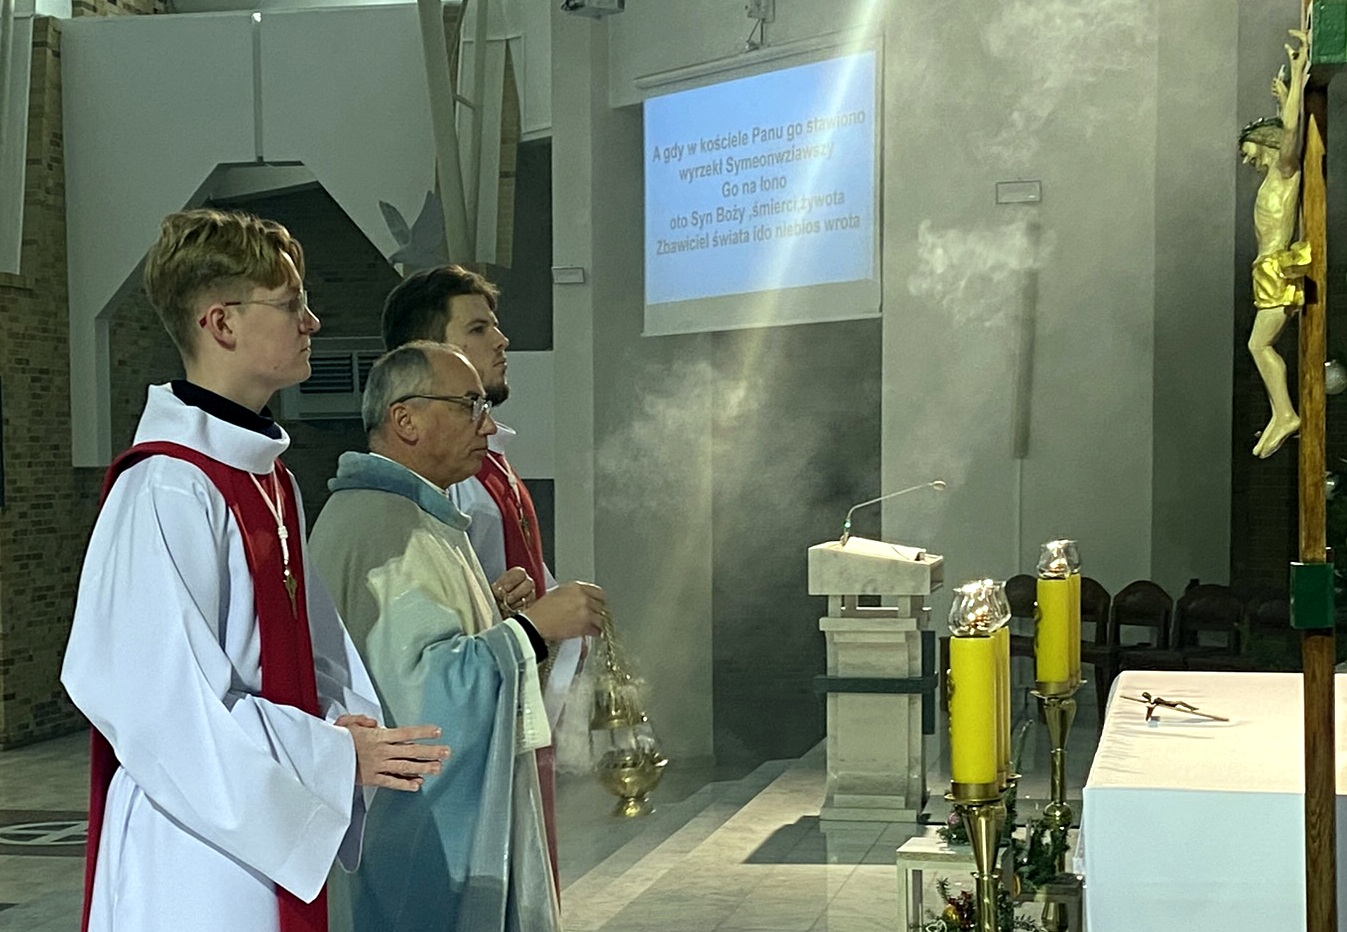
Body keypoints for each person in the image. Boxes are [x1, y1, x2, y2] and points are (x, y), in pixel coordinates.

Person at [60, 208, 450, 932]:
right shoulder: (167, 488)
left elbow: (311, 655)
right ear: (221, 323)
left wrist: (340, 724)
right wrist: (331, 756)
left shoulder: (271, 479)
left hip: (261, 816)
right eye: (291, 303)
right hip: (192, 846)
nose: (312, 322)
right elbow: (161, 708)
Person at [309, 341, 605, 931]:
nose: (488, 425)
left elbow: (413, 651)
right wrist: (532, 630)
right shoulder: (383, 527)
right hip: (416, 845)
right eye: (470, 405)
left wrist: (492, 614)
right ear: (406, 419)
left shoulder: (413, 514)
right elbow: (423, 708)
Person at [382, 265, 594, 884]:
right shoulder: (437, 485)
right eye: (478, 329)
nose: (501, 340)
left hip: (521, 705)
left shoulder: (491, 461)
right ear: (431, 353)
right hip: (476, 727)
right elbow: (436, 639)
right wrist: (517, 616)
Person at [1242, 30, 1310, 459]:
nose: (1246, 158)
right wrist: (1285, 94)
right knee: (1258, 345)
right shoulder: (1272, 177)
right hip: (1266, 268)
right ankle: (1279, 413)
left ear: (1264, 142)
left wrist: (1298, 77)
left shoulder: (1285, 170)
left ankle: (1285, 413)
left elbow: (1291, 130)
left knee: (1258, 345)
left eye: (1247, 149)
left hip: (1276, 265)